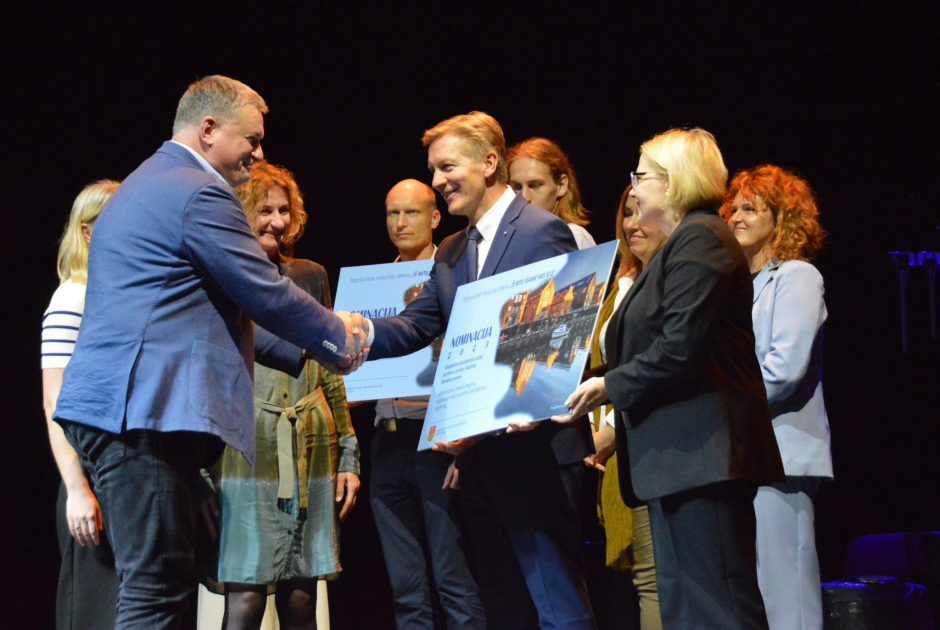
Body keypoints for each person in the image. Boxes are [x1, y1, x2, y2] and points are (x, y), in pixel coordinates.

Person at [52, 75, 368, 628]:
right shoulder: (196, 191)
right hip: (143, 418)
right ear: (208, 130)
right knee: (154, 594)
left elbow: (207, 311)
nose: (259, 152)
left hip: (135, 415)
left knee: (165, 587)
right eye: (252, 138)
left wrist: (308, 353)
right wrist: (341, 337)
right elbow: (263, 293)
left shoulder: (149, 182)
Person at [367, 111, 595, 630]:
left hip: (534, 452)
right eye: (433, 170)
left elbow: (557, 336)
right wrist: (350, 332)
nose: (437, 181)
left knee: (557, 602)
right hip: (478, 457)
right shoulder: (451, 251)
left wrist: (532, 403)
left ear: (490, 162)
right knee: (503, 604)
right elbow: (413, 325)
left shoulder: (542, 231)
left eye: (447, 167)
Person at [557, 128, 784, 629]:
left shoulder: (702, 237)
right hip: (676, 458)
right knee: (687, 607)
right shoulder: (680, 244)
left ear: (675, 181)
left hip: (703, 456)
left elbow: (679, 346)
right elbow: (642, 346)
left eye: (641, 175)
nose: (632, 188)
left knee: (717, 606)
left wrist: (607, 385)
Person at [209, 161, 361, 629]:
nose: (277, 221)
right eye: (264, 210)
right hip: (247, 445)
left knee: (301, 593)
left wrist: (349, 454)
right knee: (246, 593)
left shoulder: (310, 275)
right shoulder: (222, 273)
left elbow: (330, 365)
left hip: (311, 443)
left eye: (284, 210)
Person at [369, 178, 484, 629]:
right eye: (392, 213)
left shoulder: (452, 275)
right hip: (388, 442)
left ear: (435, 217)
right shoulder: (374, 287)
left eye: (412, 212)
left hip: (436, 439)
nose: (400, 222)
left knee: (453, 578)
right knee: (406, 590)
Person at [721, 165, 832, 630]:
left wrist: (716, 406)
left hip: (780, 453)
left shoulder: (797, 276)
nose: (736, 218)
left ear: (782, 219)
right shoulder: (732, 287)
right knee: (752, 595)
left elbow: (783, 370)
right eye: (733, 208)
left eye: (751, 209)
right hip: (739, 454)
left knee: (787, 593)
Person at [42, 180, 121, 629]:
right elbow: (55, 399)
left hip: (117, 474)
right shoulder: (72, 297)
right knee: (92, 611)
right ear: (89, 232)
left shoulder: (111, 297)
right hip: (89, 474)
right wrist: (76, 488)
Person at [587, 185, 662, 630]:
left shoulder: (669, 280)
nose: (633, 222)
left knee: (658, 579)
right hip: (617, 449)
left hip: (652, 440)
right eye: (627, 212)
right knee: (643, 579)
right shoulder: (618, 284)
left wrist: (614, 429)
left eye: (643, 211)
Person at [508, 137, 596, 249]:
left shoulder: (574, 237)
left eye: (535, 185)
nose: (524, 197)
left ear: (561, 185)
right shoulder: (508, 242)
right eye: (516, 187)